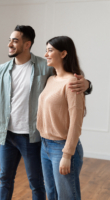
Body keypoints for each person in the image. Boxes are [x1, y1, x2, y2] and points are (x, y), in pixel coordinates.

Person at [0, 25, 92, 200]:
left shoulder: (44, 67)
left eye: (15, 40)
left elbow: (68, 77)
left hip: (32, 137)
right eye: (9, 40)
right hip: (8, 135)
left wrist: (87, 84)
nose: (10, 44)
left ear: (27, 44)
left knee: (37, 184)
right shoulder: (2, 70)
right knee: (5, 179)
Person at [37, 36, 86, 200]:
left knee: (66, 197)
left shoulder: (73, 82)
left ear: (64, 53)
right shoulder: (51, 79)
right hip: (45, 145)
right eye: (46, 50)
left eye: (50, 50)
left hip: (62, 147)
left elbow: (76, 122)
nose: (46, 54)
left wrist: (66, 155)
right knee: (51, 194)